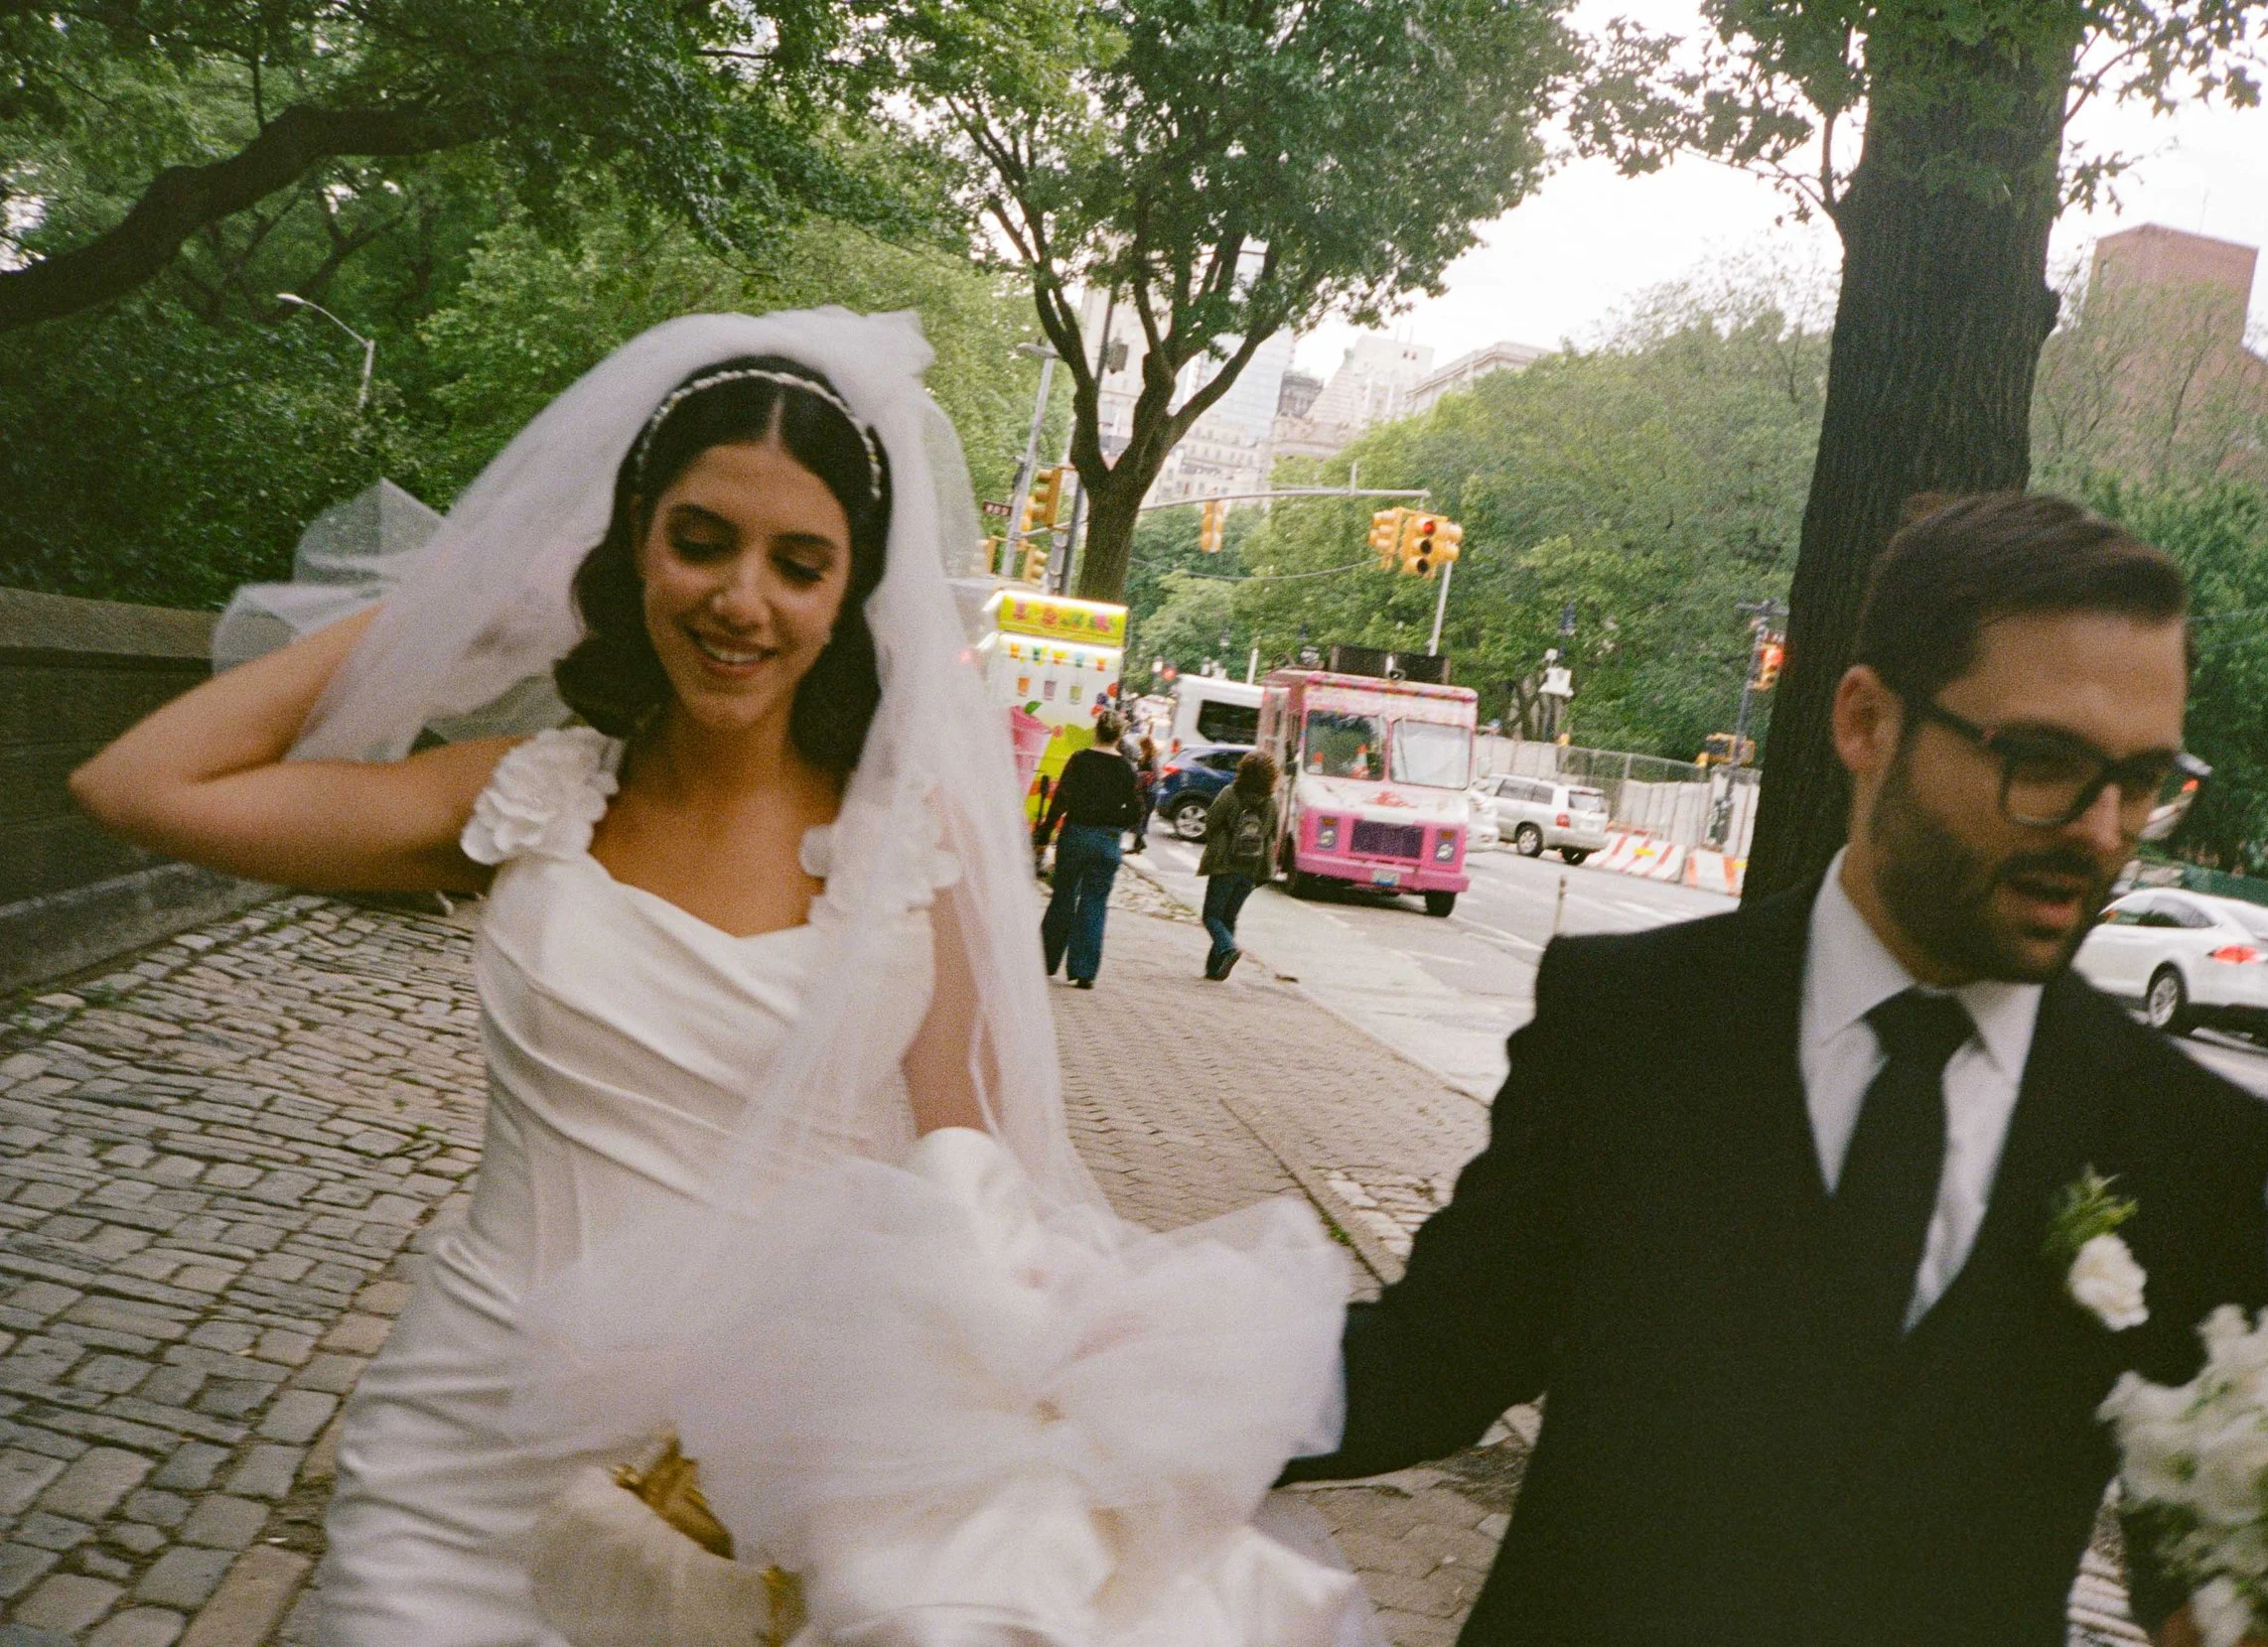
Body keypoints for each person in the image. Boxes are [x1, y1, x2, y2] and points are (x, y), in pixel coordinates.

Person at [71, 310, 1359, 1646]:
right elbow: (136, 783)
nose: (742, 597)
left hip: (759, 1480)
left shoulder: (917, 842)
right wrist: (462, 605)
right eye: (701, 541)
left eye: (799, 562)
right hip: (461, 1454)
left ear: (850, 593)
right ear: (634, 548)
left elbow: (970, 1164)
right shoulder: (523, 797)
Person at [1285, 493, 2268, 1647]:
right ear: (1866, 721)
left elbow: (2207, 1561)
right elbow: (1435, 1363)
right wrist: (1096, 1388)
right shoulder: (1628, 1025)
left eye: (2145, 781)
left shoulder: (2187, 1140)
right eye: (2046, 762)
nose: (2102, 831)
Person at [1036, 710, 1142, 988]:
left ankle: (1045, 960)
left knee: (1064, 897)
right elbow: (1135, 812)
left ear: (1096, 731)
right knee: (1095, 902)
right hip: (1107, 840)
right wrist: (1112, 823)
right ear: (1119, 736)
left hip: (1076, 835)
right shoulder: (1126, 769)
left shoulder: (1080, 760)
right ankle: (1084, 971)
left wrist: (1044, 833)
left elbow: (1061, 799)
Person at [1198, 749, 1280, 980]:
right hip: (1252, 867)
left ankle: (1227, 949)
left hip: (1225, 864)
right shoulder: (1271, 802)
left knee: (1211, 916)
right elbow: (1272, 832)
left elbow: (1211, 821)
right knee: (1229, 918)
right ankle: (1215, 970)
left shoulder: (1230, 793)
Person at [1126, 732, 1161, 854]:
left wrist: (1143, 776)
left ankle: (1138, 845)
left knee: (1142, 817)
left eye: (1141, 745)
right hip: (1142, 791)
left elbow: (1157, 775)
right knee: (1139, 816)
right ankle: (1139, 844)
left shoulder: (1152, 758)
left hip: (1149, 792)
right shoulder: (1145, 757)